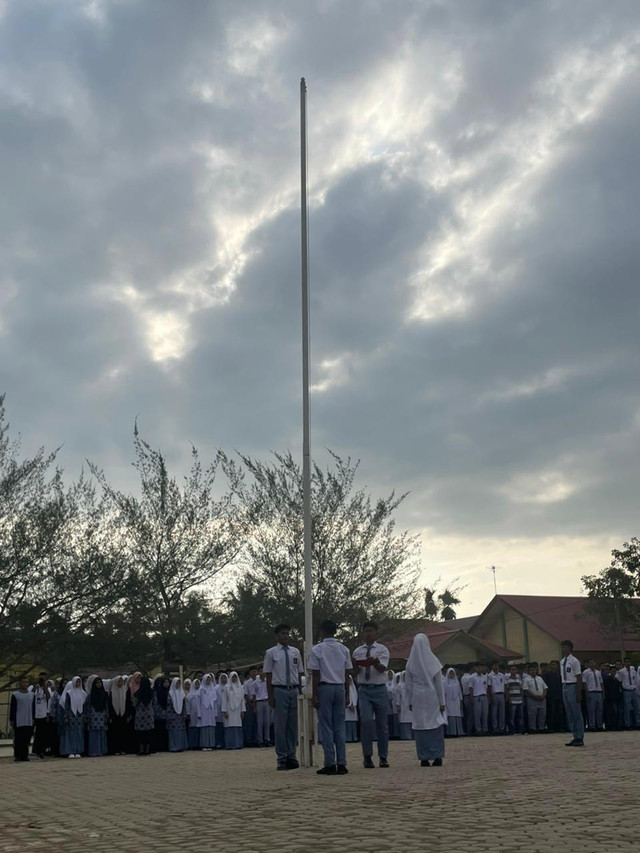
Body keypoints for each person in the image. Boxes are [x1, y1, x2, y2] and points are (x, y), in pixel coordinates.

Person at [308, 619, 352, 776]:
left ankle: (330, 762)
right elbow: (347, 673)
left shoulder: (317, 649)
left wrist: (315, 695)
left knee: (326, 726)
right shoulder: (344, 649)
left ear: (322, 631)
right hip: (339, 687)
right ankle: (342, 763)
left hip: (325, 687)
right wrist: (347, 693)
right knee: (340, 726)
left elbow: (315, 673)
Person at [263, 623, 305, 771]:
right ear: (277, 636)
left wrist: (300, 691)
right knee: (281, 725)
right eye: (282, 633)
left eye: (287, 633)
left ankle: (292, 755)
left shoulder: (295, 652)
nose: (285, 636)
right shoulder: (271, 653)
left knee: (293, 725)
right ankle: (281, 757)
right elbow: (268, 675)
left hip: (293, 689)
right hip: (279, 690)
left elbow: (299, 673)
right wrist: (270, 695)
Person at [352, 621, 390, 769]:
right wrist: (355, 666)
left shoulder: (382, 650)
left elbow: (382, 669)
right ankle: (367, 756)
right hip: (364, 689)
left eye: (370, 631)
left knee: (382, 725)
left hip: (379, 689)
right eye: (365, 631)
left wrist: (374, 662)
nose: (368, 634)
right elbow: (355, 672)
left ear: (375, 633)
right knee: (366, 722)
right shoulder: (357, 651)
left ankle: (383, 756)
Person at [404, 634, 446, 767]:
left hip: (417, 697)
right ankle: (437, 756)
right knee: (435, 723)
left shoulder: (410, 663)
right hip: (431, 696)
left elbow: (408, 686)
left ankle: (424, 758)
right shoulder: (434, 662)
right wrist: (442, 702)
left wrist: (409, 701)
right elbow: (439, 684)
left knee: (420, 724)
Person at [560, 640, 584, 746]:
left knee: (576, 713)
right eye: (562, 647)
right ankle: (574, 735)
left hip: (573, 686)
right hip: (565, 686)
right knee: (569, 713)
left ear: (570, 648)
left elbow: (579, 677)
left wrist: (578, 692)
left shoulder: (574, 661)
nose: (563, 649)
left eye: (565, 647)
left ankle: (580, 737)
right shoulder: (562, 661)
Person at [60, 676, 87, 758]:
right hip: (71, 716)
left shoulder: (84, 693)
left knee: (79, 734)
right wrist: (66, 717)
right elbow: (67, 706)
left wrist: (84, 716)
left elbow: (85, 706)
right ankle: (70, 751)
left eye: (79, 682)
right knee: (70, 734)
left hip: (80, 716)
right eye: (76, 682)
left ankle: (78, 750)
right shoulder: (69, 693)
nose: (78, 684)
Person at [10, 677, 35, 762]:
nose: (25, 684)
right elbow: (12, 708)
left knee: (26, 739)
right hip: (19, 720)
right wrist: (12, 719)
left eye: (26, 682)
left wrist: (33, 718)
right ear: (20, 683)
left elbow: (33, 707)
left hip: (29, 720)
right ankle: (18, 755)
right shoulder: (15, 695)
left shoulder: (32, 695)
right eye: (23, 682)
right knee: (18, 738)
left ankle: (25, 755)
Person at [108, 675, 132, 755]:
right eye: (119, 681)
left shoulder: (125, 691)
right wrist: (110, 716)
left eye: (121, 681)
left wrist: (128, 715)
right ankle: (115, 749)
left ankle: (123, 749)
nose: (120, 683)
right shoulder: (111, 693)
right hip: (114, 716)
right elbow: (110, 705)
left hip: (123, 716)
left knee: (123, 733)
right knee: (115, 734)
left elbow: (128, 704)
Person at [221, 671, 246, 749]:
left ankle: (238, 744)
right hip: (229, 709)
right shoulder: (226, 687)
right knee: (229, 726)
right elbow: (224, 699)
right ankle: (230, 745)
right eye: (233, 677)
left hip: (238, 710)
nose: (234, 678)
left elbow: (242, 700)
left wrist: (242, 711)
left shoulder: (240, 687)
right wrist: (224, 711)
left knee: (237, 726)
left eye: (235, 677)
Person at [85, 677, 109, 757]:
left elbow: (106, 706)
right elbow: (87, 706)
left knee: (101, 733)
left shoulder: (105, 694)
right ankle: (94, 751)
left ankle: (102, 750)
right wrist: (88, 717)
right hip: (93, 715)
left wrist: (107, 716)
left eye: (100, 683)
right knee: (94, 734)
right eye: (97, 683)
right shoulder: (90, 695)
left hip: (102, 715)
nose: (98, 684)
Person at [132, 675, 154, 756]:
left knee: (140, 734)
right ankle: (147, 750)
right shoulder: (151, 693)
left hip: (140, 717)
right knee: (148, 733)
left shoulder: (137, 694)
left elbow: (134, 704)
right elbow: (154, 703)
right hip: (149, 716)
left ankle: (141, 749)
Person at [523, 664, 547, 733]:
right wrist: (534, 696)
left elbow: (545, 688)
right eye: (531, 670)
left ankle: (541, 728)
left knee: (542, 714)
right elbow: (526, 690)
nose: (533, 671)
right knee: (532, 714)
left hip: (542, 698)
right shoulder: (526, 679)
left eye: (534, 670)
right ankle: (532, 728)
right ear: (528, 671)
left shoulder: (540, 678)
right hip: (532, 699)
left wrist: (543, 695)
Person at [167, 677, 188, 752]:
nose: (178, 684)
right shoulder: (170, 693)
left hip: (180, 716)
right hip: (173, 716)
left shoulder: (182, 693)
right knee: (174, 732)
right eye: (177, 683)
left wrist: (184, 714)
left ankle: (181, 746)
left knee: (180, 731)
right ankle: (174, 747)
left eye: (179, 683)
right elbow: (168, 705)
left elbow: (184, 705)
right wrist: (169, 716)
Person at [32, 675, 50, 759]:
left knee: (43, 734)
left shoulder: (46, 688)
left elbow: (48, 697)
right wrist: (37, 685)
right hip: (36, 714)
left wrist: (44, 686)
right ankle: (36, 750)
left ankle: (42, 751)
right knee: (37, 734)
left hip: (43, 713)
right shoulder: (35, 688)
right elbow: (32, 695)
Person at [615, 659, 637, 730]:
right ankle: (628, 724)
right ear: (624, 663)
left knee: (636, 708)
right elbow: (619, 681)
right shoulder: (621, 671)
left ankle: (637, 723)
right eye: (626, 662)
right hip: (626, 691)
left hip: (634, 690)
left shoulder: (633, 670)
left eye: (629, 662)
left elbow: (635, 680)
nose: (628, 663)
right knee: (627, 708)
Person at [582, 660, 604, 731]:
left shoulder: (598, 672)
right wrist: (587, 693)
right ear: (588, 664)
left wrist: (603, 693)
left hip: (598, 692)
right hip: (591, 692)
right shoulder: (585, 672)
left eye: (593, 662)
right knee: (591, 710)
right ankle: (592, 725)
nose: (592, 664)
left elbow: (601, 683)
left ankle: (599, 725)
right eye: (590, 662)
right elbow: (584, 683)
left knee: (599, 710)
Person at [198, 673, 217, 750]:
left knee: (211, 727)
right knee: (204, 728)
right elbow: (199, 703)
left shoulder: (213, 689)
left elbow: (215, 702)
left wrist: (215, 713)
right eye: (207, 679)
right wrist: (199, 713)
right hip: (203, 711)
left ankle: (211, 744)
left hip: (211, 711)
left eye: (209, 679)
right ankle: (204, 744)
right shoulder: (201, 689)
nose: (208, 681)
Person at [468, 663, 489, 735]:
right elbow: (471, 688)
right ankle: (478, 730)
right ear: (475, 668)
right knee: (477, 715)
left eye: (481, 667)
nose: (480, 669)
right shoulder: (472, 677)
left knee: (485, 714)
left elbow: (486, 688)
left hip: (484, 696)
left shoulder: (484, 677)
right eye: (478, 667)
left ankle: (485, 729)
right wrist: (471, 698)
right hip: (477, 697)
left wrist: (488, 698)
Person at [487, 661, 507, 734]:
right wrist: (491, 696)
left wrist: (505, 695)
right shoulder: (490, 676)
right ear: (492, 667)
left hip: (501, 694)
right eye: (494, 665)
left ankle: (501, 728)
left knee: (502, 713)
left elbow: (504, 685)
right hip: (494, 694)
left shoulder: (502, 675)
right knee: (494, 713)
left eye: (497, 665)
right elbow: (489, 686)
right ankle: (495, 728)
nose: (496, 667)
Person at [545, 660, 564, 732]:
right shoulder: (547, 675)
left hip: (559, 696)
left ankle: (560, 727)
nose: (553, 666)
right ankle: (551, 727)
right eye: (552, 665)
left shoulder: (561, 675)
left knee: (560, 712)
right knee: (551, 712)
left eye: (555, 665)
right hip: (551, 696)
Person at [443, 668, 464, 736]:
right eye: (450, 673)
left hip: (456, 701)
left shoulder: (456, 681)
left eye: (452, 673)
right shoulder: (444, 682)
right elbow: (443, 693)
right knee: (450, 715)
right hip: (448, 701)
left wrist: (461, 701)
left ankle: (458, 732)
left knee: (457, 714)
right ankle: (451, 732)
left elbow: (460, 692)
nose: (451, 675)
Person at [152, 676, 170, 752]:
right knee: (158, 732)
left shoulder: (168, 692)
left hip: (166, 715)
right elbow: (154, 704)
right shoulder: (155, 692)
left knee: (165, 732)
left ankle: (165, 747)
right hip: (157, 715)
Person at [505, 666, 524, 734]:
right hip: (512, 700)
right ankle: (512, 731)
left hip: (519, 700)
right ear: (510, 671)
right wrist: (509, 699)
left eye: (515, 670)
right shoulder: (508, 680)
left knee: (520, 717)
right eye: (512, 670)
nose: (514, 671)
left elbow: (521, 690)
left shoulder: (519, 680)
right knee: (512, 717)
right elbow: (507, 691)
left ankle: (520, 731)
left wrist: (522, 699)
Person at [254, 671, 270, 747]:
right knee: (259, 722)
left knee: (267, 721)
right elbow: (254, 695)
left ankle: (267, 739)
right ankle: (260, 740)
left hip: (267, 701)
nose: (262, 674)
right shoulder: (256, 683)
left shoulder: (267, 681)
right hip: (259, 702)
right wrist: (254, 706)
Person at [243, 668, 258, 747]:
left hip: (258, 702)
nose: (255, 673)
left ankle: (256, 739)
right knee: (249, 722)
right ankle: (248, 740)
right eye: (253, 671)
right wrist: (251, 703)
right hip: (249, 704)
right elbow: (245, 694)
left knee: (257, 722)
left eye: (256, 671)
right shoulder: (247, 683)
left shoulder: (259, 681)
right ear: (249, 673)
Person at [186, 677, 202, 750]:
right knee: (193, 729)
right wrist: (188, 714)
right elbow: (188, 706)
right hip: (192, 714)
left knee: (199, 729)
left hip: (200, 714)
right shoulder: (190, 695)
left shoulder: (201, 693)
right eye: (196, 684)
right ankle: (193, 744)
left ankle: (199, 744)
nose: (197, 685)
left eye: (198, 683)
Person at [215, 674, 227, 749]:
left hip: (227, 710)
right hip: (218, 710)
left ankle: (226, 742)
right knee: (219, 727)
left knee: (226, 727)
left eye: (225, 678)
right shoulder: (216, 688)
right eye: (222, 678)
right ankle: (219, 743)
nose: (223, 680)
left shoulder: (229, 687)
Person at [345, 675, 359, 742]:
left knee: (353, 723)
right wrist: (349, 705)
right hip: (347, 708)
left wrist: (354, 705)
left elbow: (355, 697)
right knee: (347, 723)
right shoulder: (345, 688)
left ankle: (354, 737)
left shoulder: (353, 688)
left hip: (353, 708)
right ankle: (348, 738)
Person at [386, 670, 398, 739]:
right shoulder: (385, 683)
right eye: (388, 675)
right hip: (387, 703)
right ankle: (389, 734)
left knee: (395, 719)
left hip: (394, 702)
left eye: (391, 675)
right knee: (388, 719)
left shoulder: (395, 683)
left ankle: (395, 734)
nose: (390, 676)